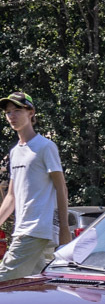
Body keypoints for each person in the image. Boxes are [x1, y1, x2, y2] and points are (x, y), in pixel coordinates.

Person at [0, 92, 71, 281]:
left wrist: (65, 229)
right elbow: (12, 197)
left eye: (17, 110)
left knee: (4, 280)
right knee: (39, 289)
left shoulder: (45, 147)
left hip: (35, 231)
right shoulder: (15, 152)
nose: (12, 116)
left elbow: (61, 188)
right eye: (8, 112)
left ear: (31, 112)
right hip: (22, 230)